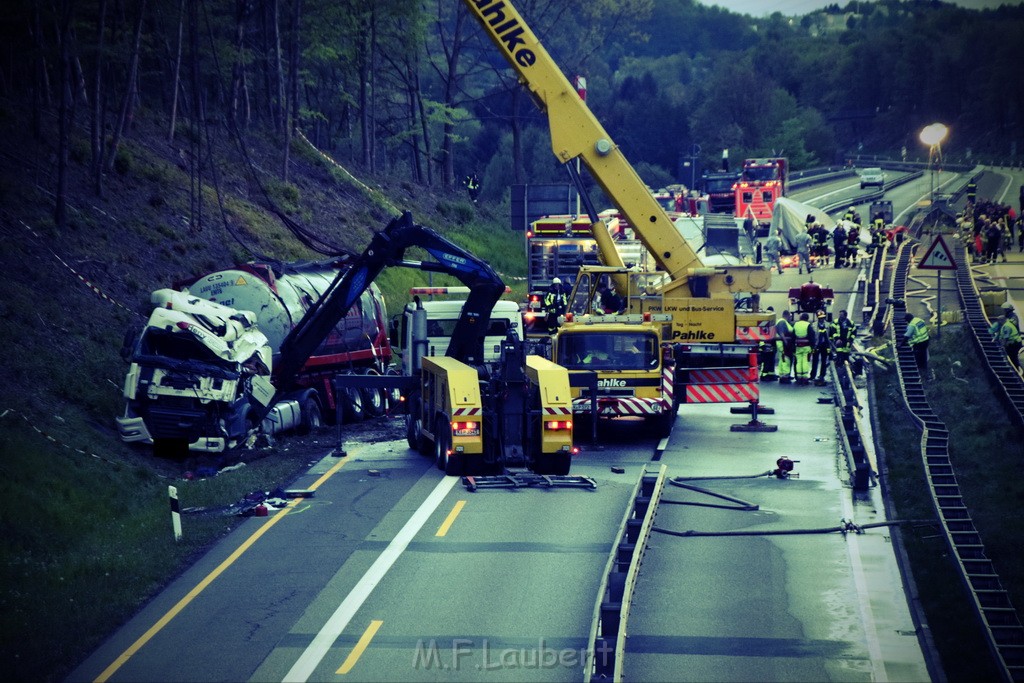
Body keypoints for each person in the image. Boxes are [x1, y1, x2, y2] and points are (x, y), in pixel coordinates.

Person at [989, 303, 1022, 369]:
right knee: (1011, 357)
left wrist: (1002, 345)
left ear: (1007, 310)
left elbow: (1006, 333)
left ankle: (1016, 368)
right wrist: (995, 338)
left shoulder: (1013, 317)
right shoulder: (1007, 319)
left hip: (1013, 342)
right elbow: (1002, 330)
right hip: (1011, 341)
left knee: (1013, 358)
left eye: (1004, 310)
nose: (1003, 311)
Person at [792, 312, 816, 385]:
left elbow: (793, 336)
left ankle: (799, 377)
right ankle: (804, 377)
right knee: (805, 361)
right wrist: (813, 346)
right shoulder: (808, 325)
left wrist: (793, 346)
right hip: (806, 346)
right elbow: (812, 336)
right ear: (807, 318)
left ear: (800, 318)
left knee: (798, 362)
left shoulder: (796, 324)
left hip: (798, 346)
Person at [810, 311, 832, 386]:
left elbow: (830, 335)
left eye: (823, 318)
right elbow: (812, 336)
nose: (822, 319)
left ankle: (822, 375)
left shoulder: (828, 325)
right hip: (817, 345)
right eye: (820, 318)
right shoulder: (813, 325)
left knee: (824, 361)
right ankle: (813, 375)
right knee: (815, 361)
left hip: (825, 345)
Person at [775, 310, 795, 383]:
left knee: (782, 359)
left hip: (783, 342)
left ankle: (783, 375)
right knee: (785, 359)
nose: (790, 318)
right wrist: (785, 341)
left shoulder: (783, 321)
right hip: (783, 343)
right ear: (786, 315)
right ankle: (785, 377)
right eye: (790, 316)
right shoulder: (782, 322)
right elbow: (781, 332)